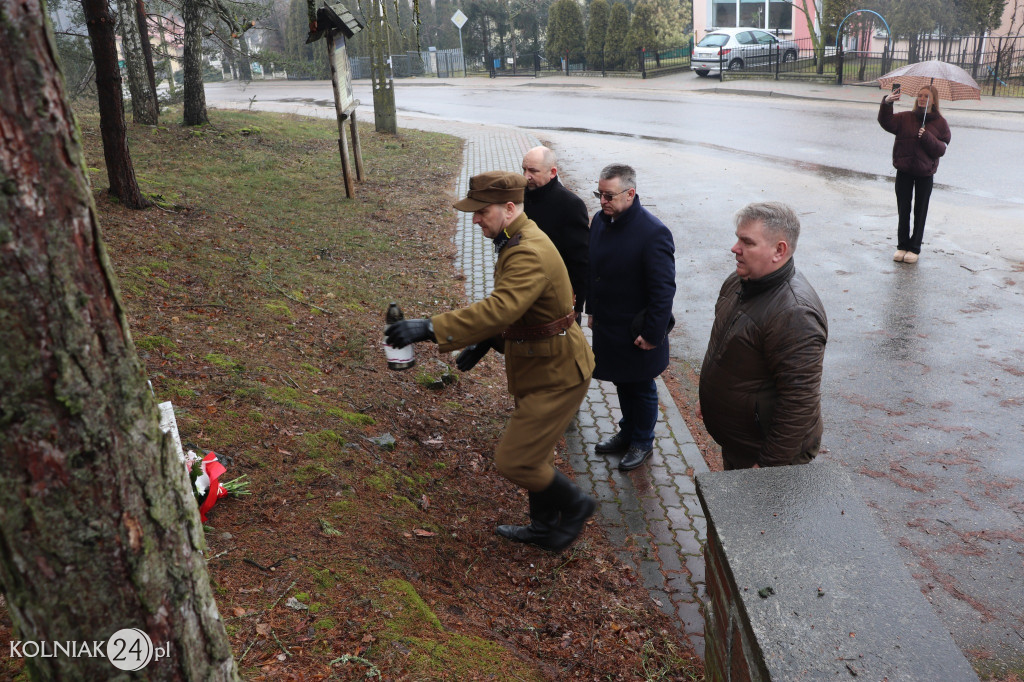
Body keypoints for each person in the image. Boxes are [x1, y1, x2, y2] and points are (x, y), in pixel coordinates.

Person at [385, 171, 597, 553]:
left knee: (516, 461)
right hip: (540, 364)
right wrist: (487, 342)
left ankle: (577, 506)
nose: (476, 219)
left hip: (557, 374)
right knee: (537, 454)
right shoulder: (516, 239)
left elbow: (501, 307)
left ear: (510, 208)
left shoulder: (527, 250)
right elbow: (526, 310)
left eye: (482, 212)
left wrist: (429, 327)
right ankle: (543, 526)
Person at [697, 202, 828, 470]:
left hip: (765, 456)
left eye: (747, 242)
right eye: (737, 238)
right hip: (740, 442)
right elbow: (726, 350)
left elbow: (799, 402)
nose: (735, 248)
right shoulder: (739, 282)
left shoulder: (795, 314)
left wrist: (767, 467)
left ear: (779, 250)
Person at [586, 164, 676, 472]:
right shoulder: (600, 221)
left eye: (608, 195)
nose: (602, 201)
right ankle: (627, 432)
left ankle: (642, 441)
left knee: (641, 386)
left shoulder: (653, 232)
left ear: (630, 193)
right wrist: (593, 311)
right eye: (599, 194)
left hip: (638, 330)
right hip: (610, 324)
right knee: (622, 381)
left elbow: (663, 292)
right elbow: (594, 271)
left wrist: (653, 334)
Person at [878, 83, 952, 264]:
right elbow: (886, 122)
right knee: (903, 208)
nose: (922, 99)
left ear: (933, 100)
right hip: (904, 170)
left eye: (927, 96)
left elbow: (941, 149)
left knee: (920, 210)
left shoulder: (941, 123)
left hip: (925, 173)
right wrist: (887, 102)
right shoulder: (906, 118)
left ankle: (914, 247)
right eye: (920, 95)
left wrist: (926, 136)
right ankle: (902, 245)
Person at [522, 146, 590, 319]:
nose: (526, 176)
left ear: (552, 172)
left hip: (558, 299)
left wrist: (577, 304)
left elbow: (580, 260)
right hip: (521, 290)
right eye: (524, 169)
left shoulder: (570, 205)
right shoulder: (519, 197)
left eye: (533, 171)